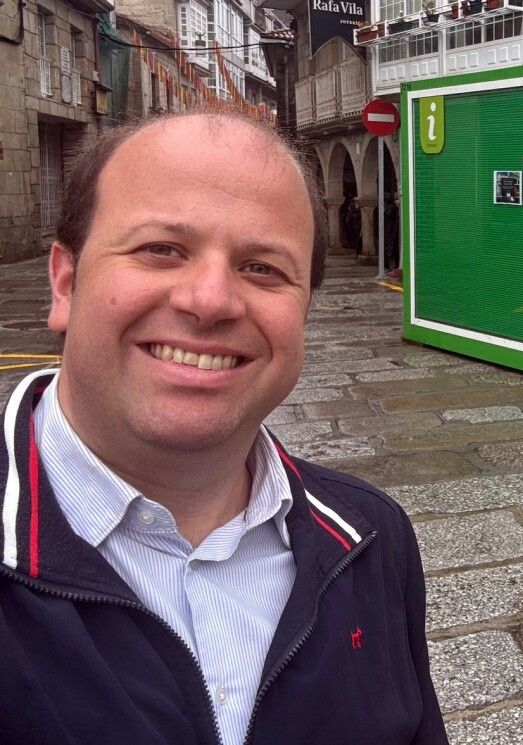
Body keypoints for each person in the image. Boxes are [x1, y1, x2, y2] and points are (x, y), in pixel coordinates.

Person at [0, 110, 448, 745]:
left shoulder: (373, 542)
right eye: (161, 250)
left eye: (263, 267)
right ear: (66, 281)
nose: (210, 300)